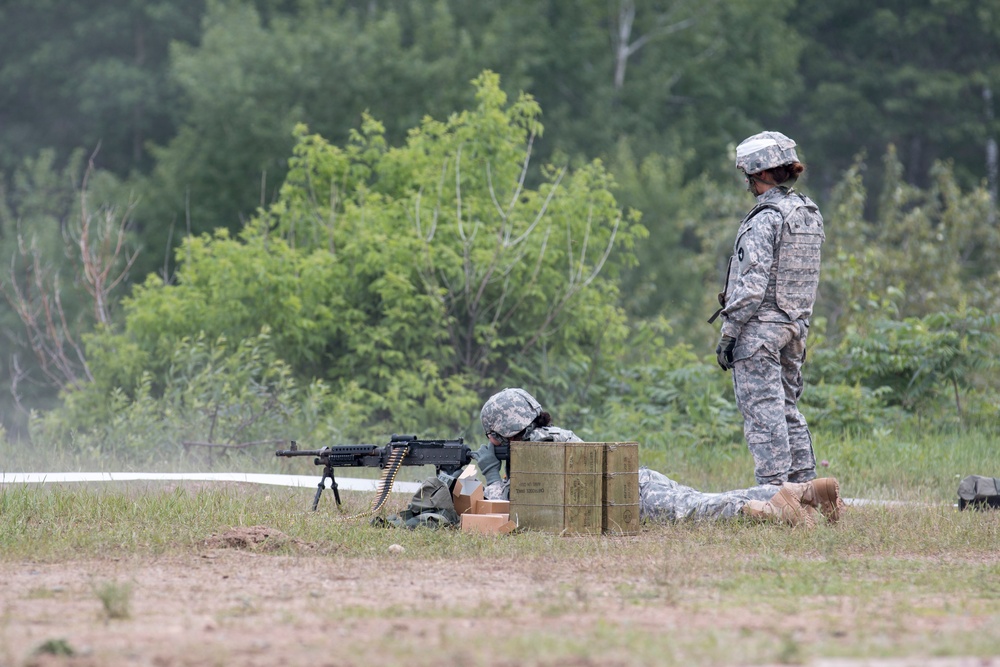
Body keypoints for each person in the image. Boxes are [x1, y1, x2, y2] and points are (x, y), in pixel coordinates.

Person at [472, 387, 844, 527]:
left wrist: (491, 477)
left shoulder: (536, 452)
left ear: (503, 432)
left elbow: (513, 508)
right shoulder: (552, 435)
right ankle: (807, 490)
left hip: (630, 499)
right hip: (637, 479)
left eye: (493, 437)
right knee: (704, 499)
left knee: (701, 511)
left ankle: (777, 509)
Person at [712, 131, 825, 487]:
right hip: (795, 328)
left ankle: (775, 497)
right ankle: (808, 490)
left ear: (757, 173)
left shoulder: (765, 217)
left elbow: (751, 289)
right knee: (789, 410)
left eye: (747, 176)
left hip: (759, 333)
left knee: (765, 415)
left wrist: (728, 334)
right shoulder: (808, 213)